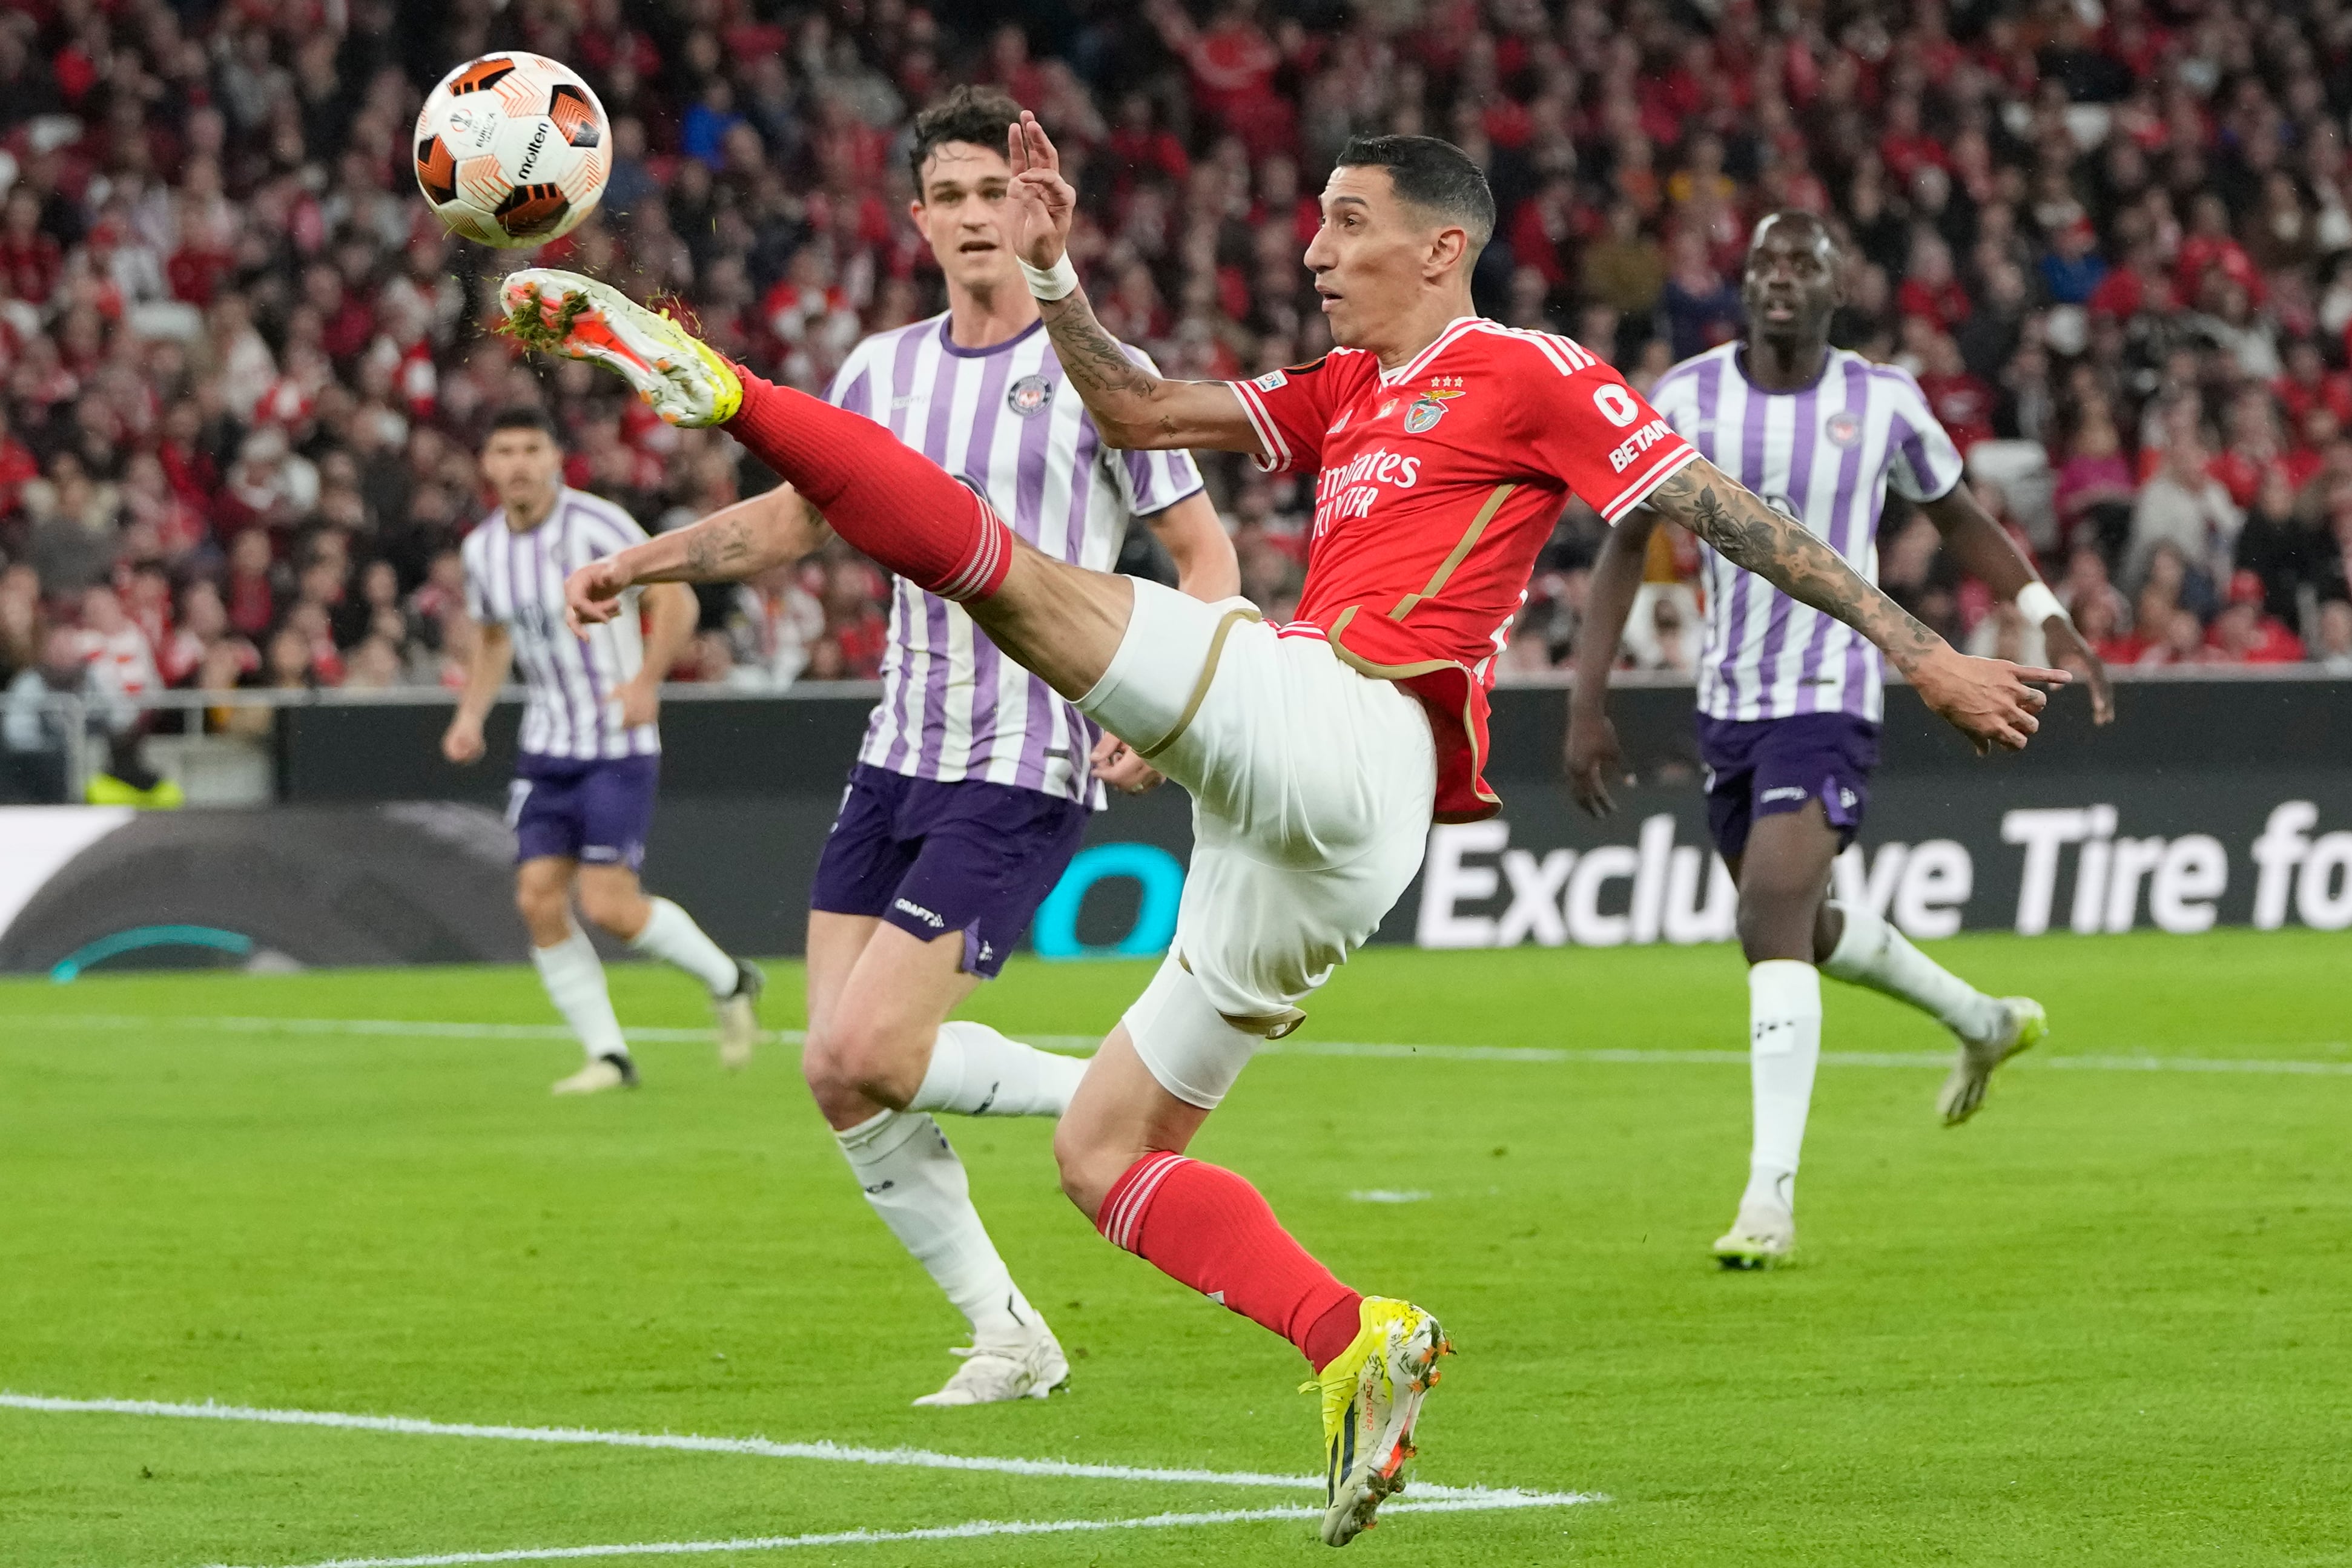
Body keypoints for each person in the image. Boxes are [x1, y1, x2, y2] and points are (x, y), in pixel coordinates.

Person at [508, 121, 2063, 1547]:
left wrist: (1916, 647)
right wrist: (1053, 265)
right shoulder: (1342, 393)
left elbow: (1720, 509)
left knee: (1009, 580)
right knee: (1099, 1153)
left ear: (1438, 248)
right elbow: (1128, 402)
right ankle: (1356, 1342)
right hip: (1302, 836)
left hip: (1354, 729)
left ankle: (706, 382)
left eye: (1345, 224)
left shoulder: (1521, 367)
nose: (1312, 251)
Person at [1568, 213, 2113, 1270]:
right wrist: (1588, 701)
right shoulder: (1683, 395)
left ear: (1834, 287)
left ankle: (1767, 1195)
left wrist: (2043, 610)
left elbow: (1955, 517)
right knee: (1800, 923)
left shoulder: (1882, 400)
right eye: (1764, 263)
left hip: (1832, 695)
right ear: (1742, 284)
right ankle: (1980, 1020)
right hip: (1727, 703)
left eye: (1800, 265)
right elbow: (1625, 542)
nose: (1779, 279)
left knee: (1767, 910)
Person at [441, 407, 763, 1095]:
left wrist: (647, 680)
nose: (519, 462)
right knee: (536, 899)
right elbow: (495, 638)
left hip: (616, 741)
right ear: (488, 466)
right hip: (545, 745)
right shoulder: (482, 551)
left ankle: (731, 979)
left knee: (611, 907)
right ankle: (609, 1056)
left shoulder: (598, 526)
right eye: (505, 449)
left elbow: (676, 600)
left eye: (532, 447)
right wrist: (471, 714)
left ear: (556, 458)